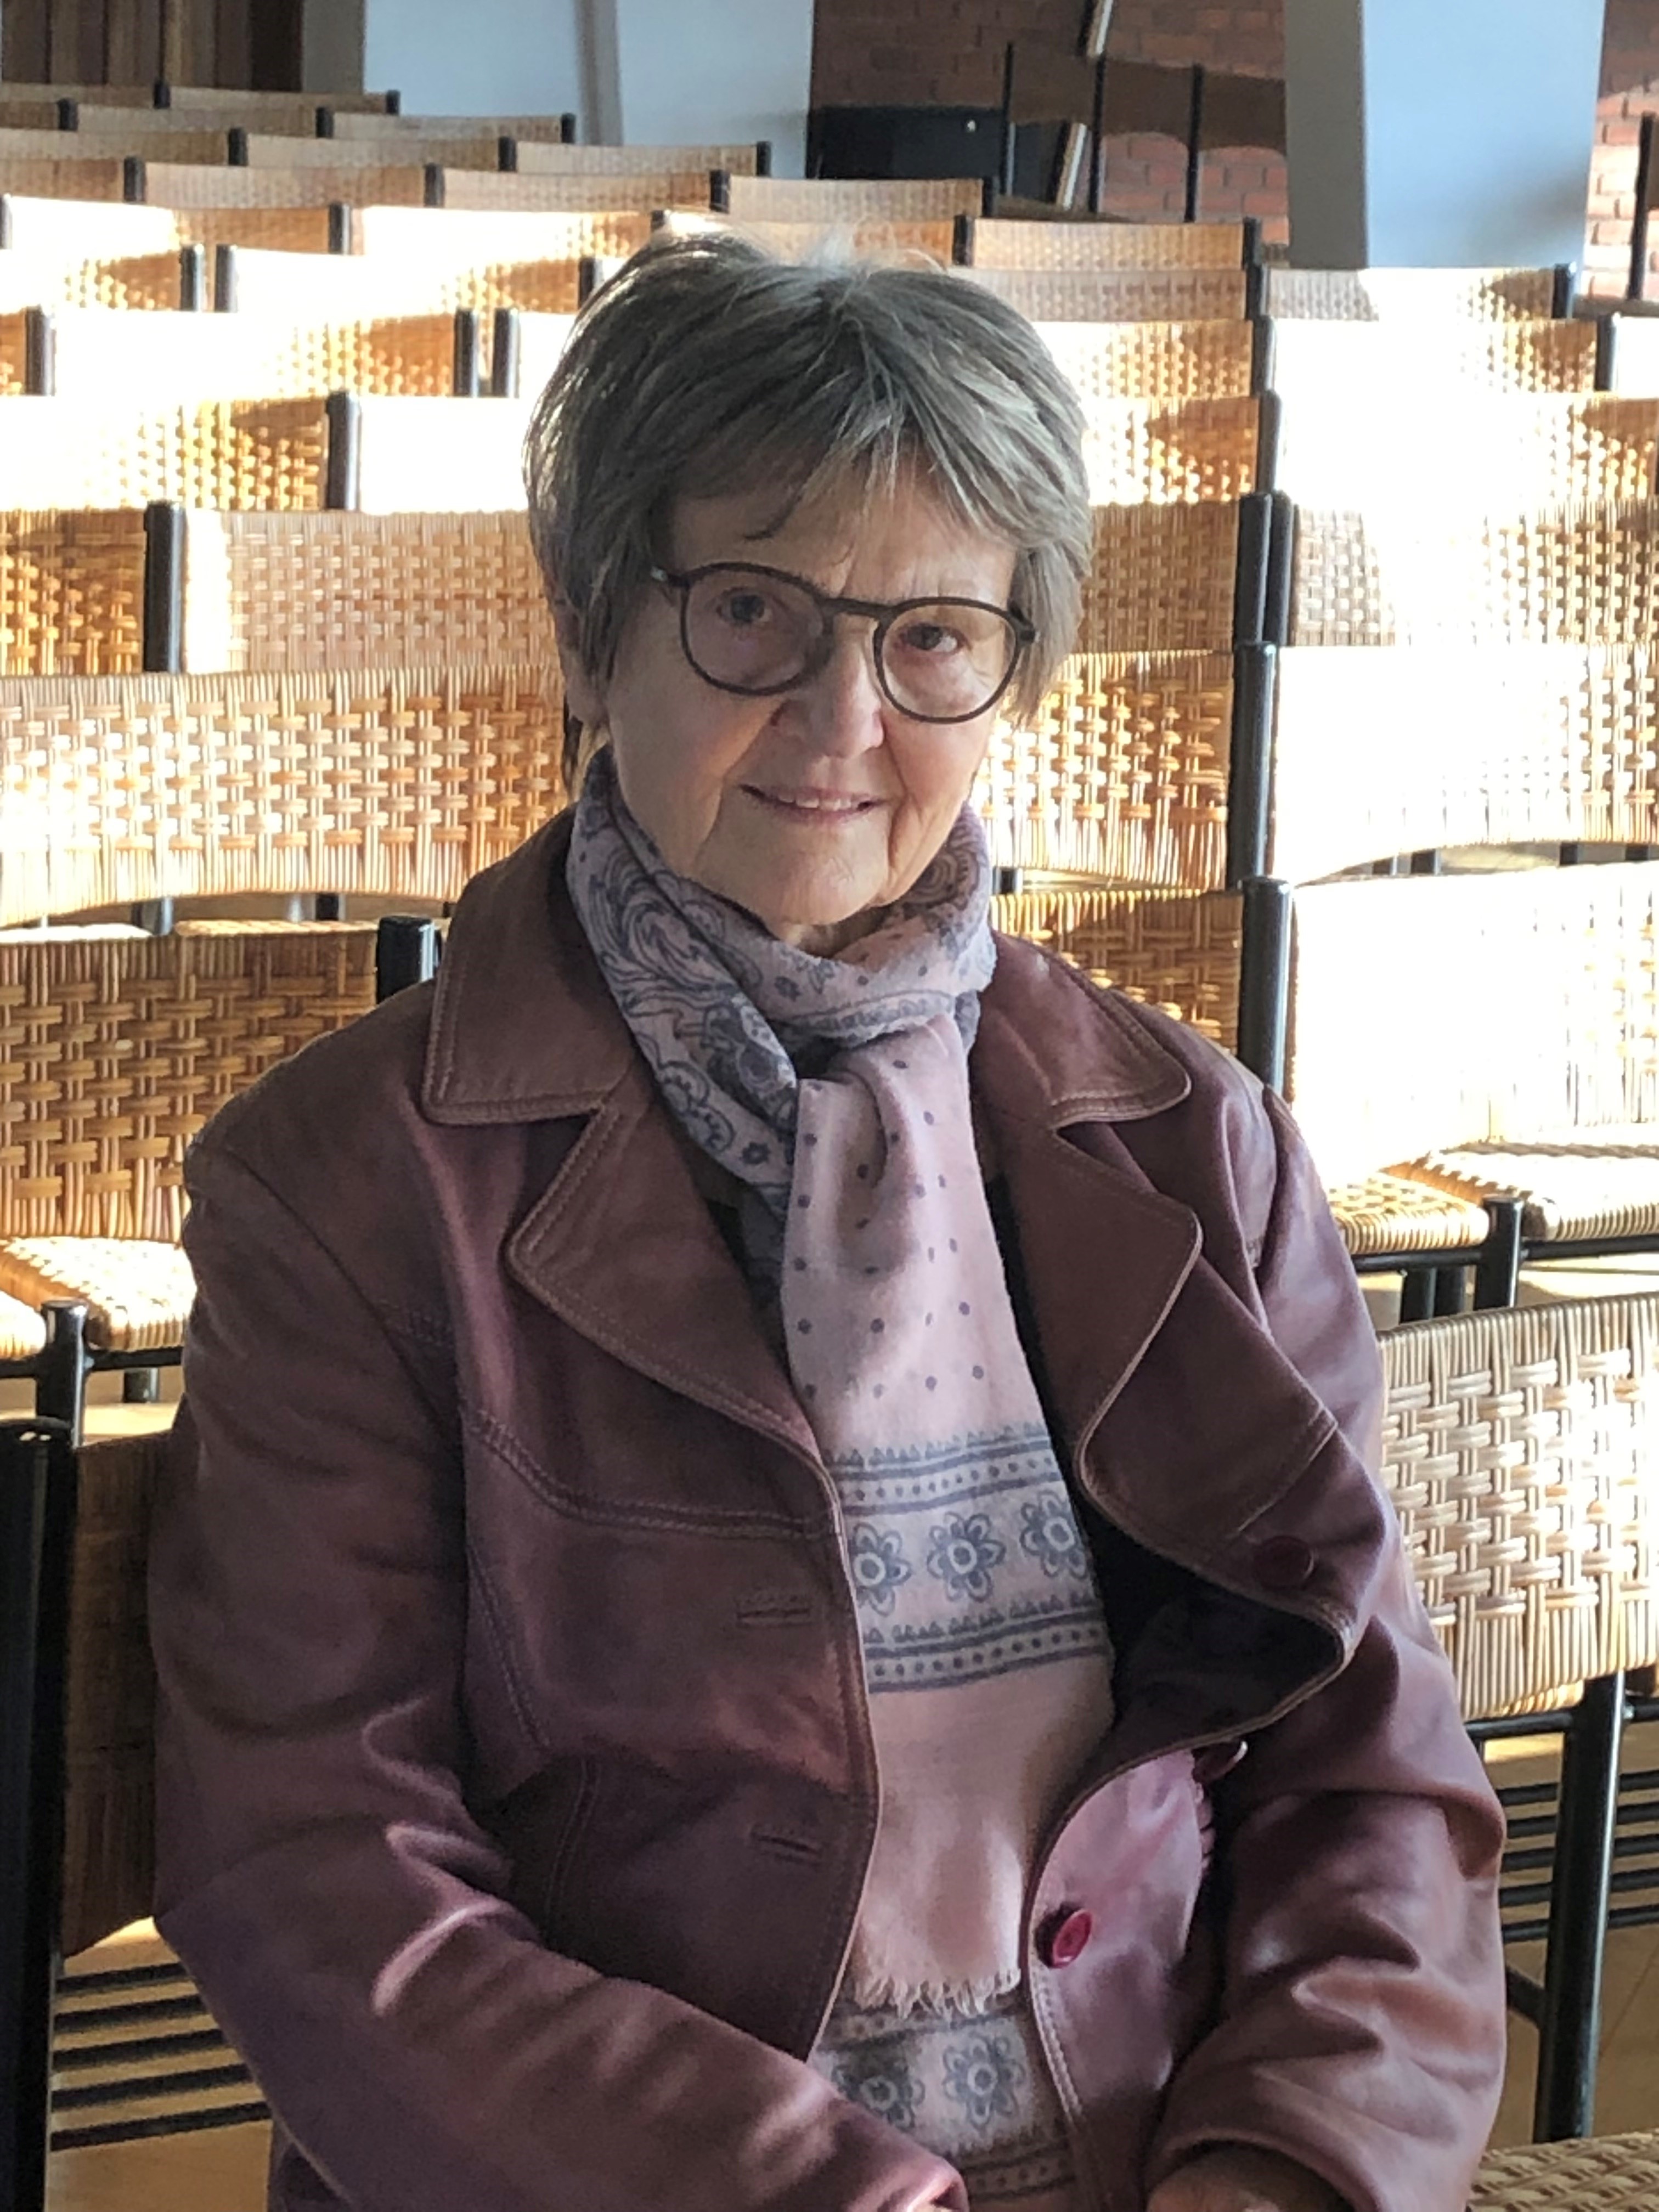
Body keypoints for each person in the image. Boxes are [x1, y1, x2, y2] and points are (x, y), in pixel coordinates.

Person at [150, 234, 1507, 2212]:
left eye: (932, 636)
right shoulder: (345, 1185)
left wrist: (1289, 2169)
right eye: (751, 613)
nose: (841, 718)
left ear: (1015, 671)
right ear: (594, 633)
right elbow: (318, 1871)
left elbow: (1369, 1774)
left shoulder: (1195, 1144)